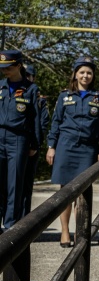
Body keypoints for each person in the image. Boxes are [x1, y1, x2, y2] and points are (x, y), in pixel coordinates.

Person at [46, 56, 99, 247]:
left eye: (89, 72)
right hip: (66, 146)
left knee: (83, 191)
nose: (85, 75)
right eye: (82, 72)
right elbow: (56, 122)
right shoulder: (65, 96)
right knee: (65, 192)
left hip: (88, 149)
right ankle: (64, 232)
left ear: (93, 75)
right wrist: (51, 147)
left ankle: (81, 232)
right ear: (75, 74)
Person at [0, 50, 41, 232]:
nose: (5, 71)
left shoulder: (30, 89)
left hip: (19, 138)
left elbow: (36, 119)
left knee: (14, 185)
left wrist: (34, 143)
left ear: (18, 66)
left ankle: (11, 226)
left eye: (8, 67)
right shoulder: (0, 86)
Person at [21, 64, 50, 217]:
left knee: (25, 188)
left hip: (29, 148)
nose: (25, 78)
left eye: (27, 75)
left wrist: (35, 144)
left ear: (33, 78)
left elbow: (43, 123)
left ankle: (23, 222)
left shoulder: (40, 101)